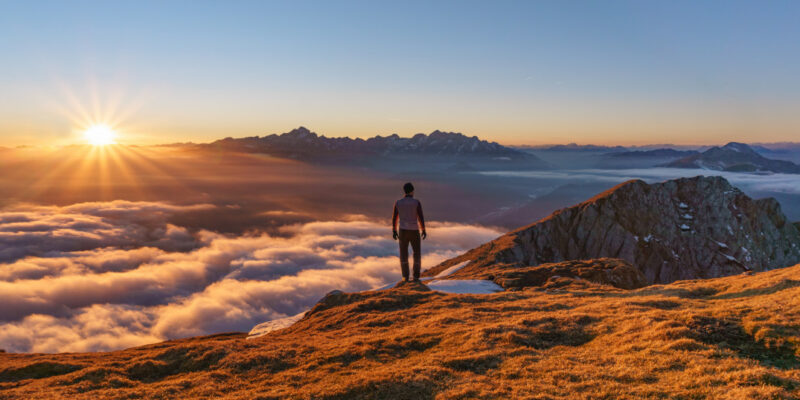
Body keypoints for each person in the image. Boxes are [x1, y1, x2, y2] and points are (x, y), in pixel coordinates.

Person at [392, 182, 427, 282]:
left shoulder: (398, 203)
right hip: (414, 230)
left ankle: (405, 276)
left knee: (403, 253)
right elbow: (420, 217)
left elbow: (395, 218)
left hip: (403, 230)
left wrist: (394, 230)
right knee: (416, 253)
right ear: (412, 191)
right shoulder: (416, 202)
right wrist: (423, 229)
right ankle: (416, 276)